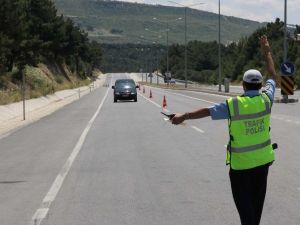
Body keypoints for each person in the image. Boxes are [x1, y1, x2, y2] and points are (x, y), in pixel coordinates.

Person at [171, 35, 277, 225]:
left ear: (243, 85)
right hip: (262, 164)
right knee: (256, 208)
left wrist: (184, 116)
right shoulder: (266, 100)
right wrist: (266, 51)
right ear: (260, 85)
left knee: (246, 211)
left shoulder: (234, 104)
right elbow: (272, 76)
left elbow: (207, 112)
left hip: (240, 167)